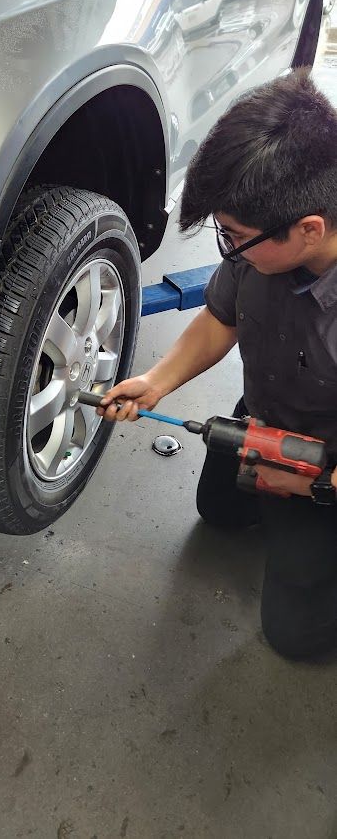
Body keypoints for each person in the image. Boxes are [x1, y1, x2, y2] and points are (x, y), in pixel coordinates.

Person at [97, 69, 337, 661]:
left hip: (327, 458)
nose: (228, 250)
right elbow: (220, 320)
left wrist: (321, 485)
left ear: (309, 229)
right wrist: (157, 380)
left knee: (295, 638)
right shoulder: (259, 249)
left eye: (234, 237)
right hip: (272, 414)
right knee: (220, 511)